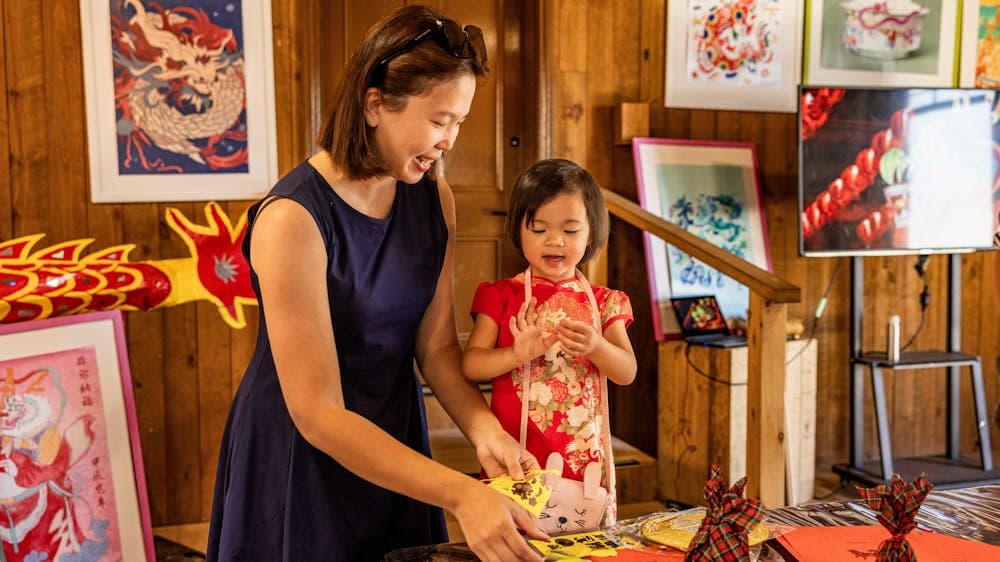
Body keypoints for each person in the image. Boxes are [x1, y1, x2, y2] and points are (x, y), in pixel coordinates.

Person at [206, 6, 547, 561]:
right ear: (374, 105)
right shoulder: (292, 218)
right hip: (301, 455)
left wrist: (488, 433)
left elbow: (437, 349)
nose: (450, 141)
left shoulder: (434, 199)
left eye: (459, 122)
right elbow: (319, 413)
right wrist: (460, 492)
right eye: (439, 121)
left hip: (396, 440)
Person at [461, 158, 638, 527]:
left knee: (583, 540)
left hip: (583, 459)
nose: (555, 240)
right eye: (539, 228)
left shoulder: (605, 302)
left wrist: (597, 347)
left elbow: (626, 372)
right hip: (518, 452)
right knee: (513, 539)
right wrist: (516, 353)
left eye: (570, 230)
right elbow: (471, 365)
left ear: (591, 234)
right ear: (518, 230)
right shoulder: (501, 296)